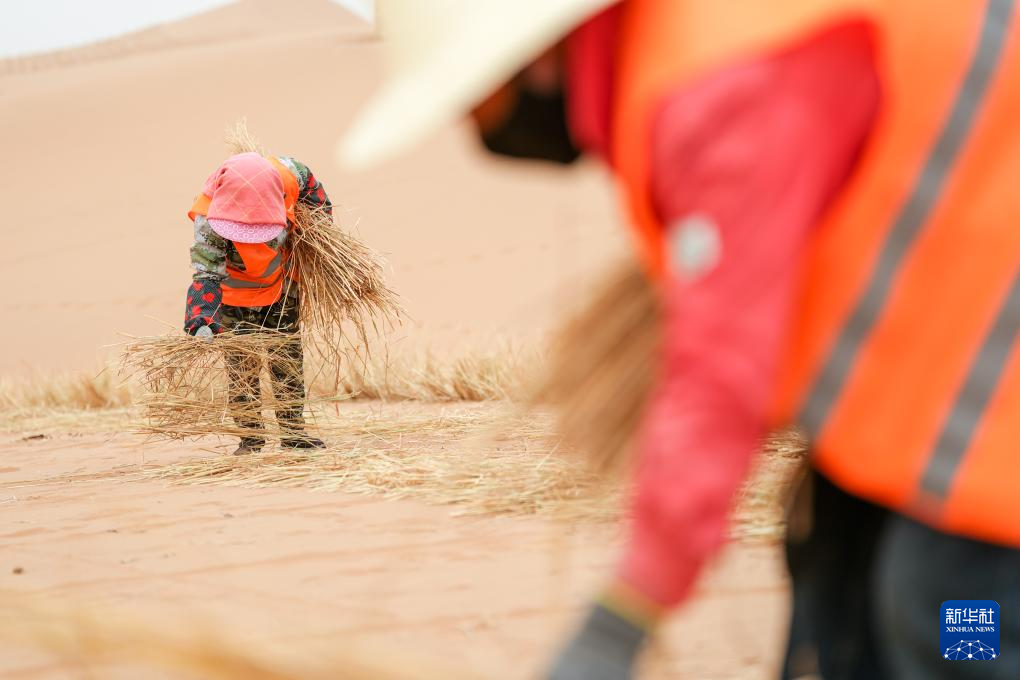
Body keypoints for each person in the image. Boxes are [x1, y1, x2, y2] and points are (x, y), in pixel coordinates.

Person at [339, 1, 1020, 678]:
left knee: (946, 607)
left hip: (988, 397)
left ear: (535, 56)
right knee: (834, 586)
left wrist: (623, 616)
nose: (471, 125)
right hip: (934, 380)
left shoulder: (718, 87)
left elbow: (721, 373)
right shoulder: (693, 45)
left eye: (468, 95)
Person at [185, 151, 331, 455]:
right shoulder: (208, 219)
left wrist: (318, 233)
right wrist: (201, 320)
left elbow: (319, 206)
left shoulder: (293, 175)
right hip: (233, 291)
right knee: (242, 363)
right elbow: (206, 275)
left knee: (286, 356)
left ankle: (293, 434)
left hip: (281, 281)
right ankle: (250, 439)